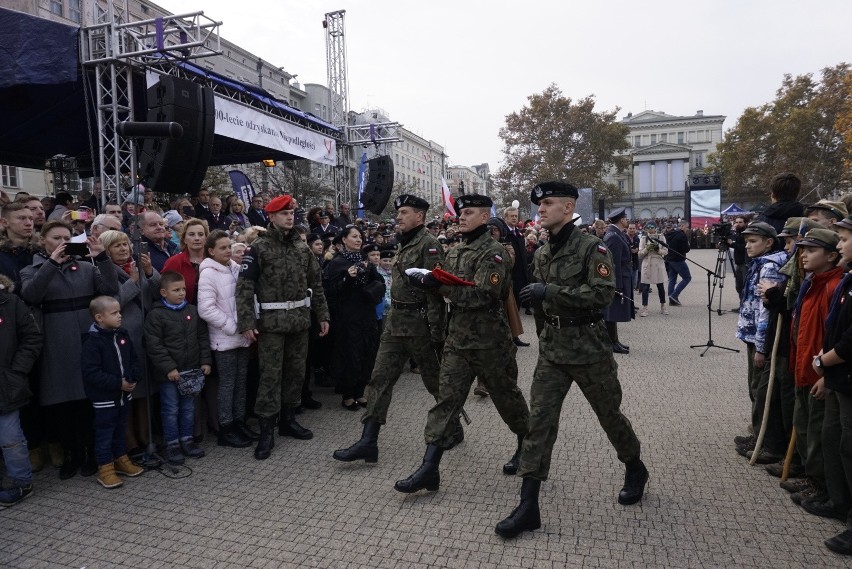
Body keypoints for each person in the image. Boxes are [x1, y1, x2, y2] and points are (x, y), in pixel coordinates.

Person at [495, 182, 646, 538]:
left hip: (589, 349)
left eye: (548, 204)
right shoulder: (544, 252)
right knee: (540, 424)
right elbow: (545, 300)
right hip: (553, 351)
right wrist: (542, 308)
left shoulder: (591, 246)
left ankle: (635, 467)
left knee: (609, 416)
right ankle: (528, 505)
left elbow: (602, 294)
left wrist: (551, 292)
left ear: (568, 206)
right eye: (539, 205)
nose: (541, 210)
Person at [394, 194, 530, 494]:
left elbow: (483, 295)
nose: (461, 217)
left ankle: (527, 445)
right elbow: (450, 287)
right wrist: (431, 283)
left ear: (484, 217)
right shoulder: (456, 251)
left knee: (507, 398)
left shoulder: (494, 254)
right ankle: (429, 468)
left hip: (489, 342)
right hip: (458, 339)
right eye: (460, 213)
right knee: (446, 401)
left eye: (468, 213)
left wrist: (438, 286)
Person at [333, 195, 453, 464]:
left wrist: (437, 332)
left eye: (404, 212)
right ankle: (368, 440)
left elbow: (437, 291)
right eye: (398, 212)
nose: (398, 216)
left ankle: (451, 427)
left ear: (419, 217)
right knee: (379, 379)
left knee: (435, 383)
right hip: (396, 324)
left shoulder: (430, 245)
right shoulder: (404, 242)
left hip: (421, 325)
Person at [20, 221, 120, 479]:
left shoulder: (86, 267)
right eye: (56, 238)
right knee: (62, 400)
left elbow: (110, 290)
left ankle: (88, 451)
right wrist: (51, 264)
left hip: (87, 336)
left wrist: (102, 258)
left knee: (87, 399)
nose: (63, 242)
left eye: (67, 237)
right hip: (56, 338)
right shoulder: (32, 269)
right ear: (43, 241)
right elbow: (31, 295)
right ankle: (70, 452)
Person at [235, 195, 330, 460]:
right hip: (272, 324)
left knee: (295, 373)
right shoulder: (259, 248)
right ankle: (267, 430)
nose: (290, 217)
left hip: (299, 321)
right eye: (284, 213)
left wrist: (322, 315)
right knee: (270, 376)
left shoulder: (302, 249)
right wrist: (246, 322)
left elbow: (316, 284)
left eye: (292, 213)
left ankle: (288, 420)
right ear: (272, 217)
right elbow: (244, 287)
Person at [786, 228, 843, 512]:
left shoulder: (834, 287)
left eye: (811, 250)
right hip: (803, 366)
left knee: (819, 432)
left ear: (832, 256)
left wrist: (823, 375)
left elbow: (829, 336)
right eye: (802, 249)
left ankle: (820, 483)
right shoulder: (811, 283)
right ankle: (810, 475)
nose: (804, 255)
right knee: (806, 426)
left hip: (818, 373)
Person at [99, 229, 159, 456]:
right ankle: (130, 442)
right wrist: (133, 282)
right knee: (129, 393)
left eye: (126, 244)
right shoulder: (103, 272)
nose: (124, 249)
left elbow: (158, 292)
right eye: (117, 246)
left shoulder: (137, 266)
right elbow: (109, 305)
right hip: (123, 338)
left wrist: (150, 272)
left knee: (145, 392)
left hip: (145, 336)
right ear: (106, 250)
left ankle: (146, 437)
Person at [733, 222, 789, 464]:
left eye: (753, 241)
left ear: (768, 242)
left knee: (761, 390)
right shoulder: (759, 264)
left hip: (760, 336)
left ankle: (766, 440)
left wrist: (762, 346)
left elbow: (765, 311)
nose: (747, 246)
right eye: (746, 241)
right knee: (754, 388)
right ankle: (758, 434)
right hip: (752, 333)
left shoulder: (769, 267)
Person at [144, 271, 212, 465]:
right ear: (164, 292)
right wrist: (169, 368)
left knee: (188, 408)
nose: (182, 293)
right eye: (176, 290)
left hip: (191, 371)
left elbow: (202, 337)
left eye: (183, 289)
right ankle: (172, 443)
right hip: (169, 375)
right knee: (170, 408)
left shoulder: (192, 311)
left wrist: (205, 361)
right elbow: (154, 345)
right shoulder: (156, 315)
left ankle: (187, 440)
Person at [197, 230, 255, 448]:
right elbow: (206, 309)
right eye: (222, 248)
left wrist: (247, 324)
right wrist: (233, 327)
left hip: (242, 336)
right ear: (211, 251)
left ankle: (239, 422)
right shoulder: (209, 273)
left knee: (241, 382)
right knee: (228, 384)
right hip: (225, 338)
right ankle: (226, 427)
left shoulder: (235, 268)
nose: (227, 251)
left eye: (228, 247)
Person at [80, 296, 145, 488]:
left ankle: (120, 459)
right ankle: (105, 469)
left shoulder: (122, 335)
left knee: (120, 429)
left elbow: (133, 359)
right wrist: (118, 383)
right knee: (104, 433)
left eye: (119, 312)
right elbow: (91, 373)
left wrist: (133, 377)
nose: (120, 316)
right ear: (99, 317)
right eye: (114, 313)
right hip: (105, 399)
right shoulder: (92, 342)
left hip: (124, 396)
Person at [816, 214, 852, 554]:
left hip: (842, 369)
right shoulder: (849, 279)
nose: (839, 244)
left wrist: (822, 361)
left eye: (843, 238)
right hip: (839, 375)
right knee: (841, 442)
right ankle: (838, 500)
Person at [323, 226, 387, 409]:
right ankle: (348, 394)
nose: (359, 240)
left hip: (366, 314)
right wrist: (348, 278)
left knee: (368, 353)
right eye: (354, 237)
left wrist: (370, 291)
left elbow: (379, 281)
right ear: (344, 239)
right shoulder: (337, 263)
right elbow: (331, 290)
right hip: (347, 317)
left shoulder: (363, 260)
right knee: (351, 355)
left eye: (360, 237)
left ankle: (360, 392)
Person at [0, 274, 41, 506]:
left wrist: (16, 370)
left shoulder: (10, 302)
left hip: (6, 381)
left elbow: (32, 337)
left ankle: (21, 482)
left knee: (11, 437)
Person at [603, 208, 633, 354]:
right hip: (618, 278)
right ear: (621, 220)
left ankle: (614, 341)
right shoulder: (613, 236)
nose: (627, 220)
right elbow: (613, 264)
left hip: (623, 275)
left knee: (613, 313)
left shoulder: (616, 234)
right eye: (625, 218)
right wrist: (617, 285)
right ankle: (611, 343)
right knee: (611, 313)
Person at [501, 206, 530, 347]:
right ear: (505, 217)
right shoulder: (504, 234)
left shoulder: (518, 233)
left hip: (521, 276)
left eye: (516, 215)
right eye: (511, 216)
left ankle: (514, 336)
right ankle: (509, 337)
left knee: (516, 308)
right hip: (511, 277)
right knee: (509, 309)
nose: (514, 218)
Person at [162, 218, 208, 305]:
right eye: (191, 234)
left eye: (201, 234)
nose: (197, 238)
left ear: (206, 238)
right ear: (184, 239)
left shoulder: (214, 260)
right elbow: (165, 291)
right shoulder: (174, 262)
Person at [0, 202, 37, 291]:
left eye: (31, 219)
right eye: (21, 218)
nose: (28, 223)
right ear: (4, 222)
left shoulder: (41, 251)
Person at [638, 222, 668, 317]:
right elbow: (640, 253)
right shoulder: (643, 238)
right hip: (647, 263)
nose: (650, 229)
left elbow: (666, 251)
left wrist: (658, 250)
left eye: (652, 227)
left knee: (660, 286)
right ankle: (645, 307)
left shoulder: (661, 237)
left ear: (656, 228)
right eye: (648, 227)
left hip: (658, 263)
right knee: (645, 287)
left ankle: (663, 306)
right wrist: (647, 249)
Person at [665, 220, 692, 306]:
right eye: (687, 227)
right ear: (683, 226)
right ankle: (674, 295)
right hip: (678, 260)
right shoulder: (682, 235)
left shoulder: (672, 234)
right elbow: (686, 249)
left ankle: (671, 298)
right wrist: (688, 244)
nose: (687, 229)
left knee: (672, 279)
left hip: (670, 259)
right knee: (687, 277)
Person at [730, 216, 749, 302]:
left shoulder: (747, 234)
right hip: (738, 263)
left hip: (745, 263)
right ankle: (742, 304)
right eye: (736, 222)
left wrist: (732, 244)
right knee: (738, 286)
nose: (738, 224)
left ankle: (746, 305)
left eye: (740, 222)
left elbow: (745, 248)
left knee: (745, 286)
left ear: (745, 223)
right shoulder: (738, 234)